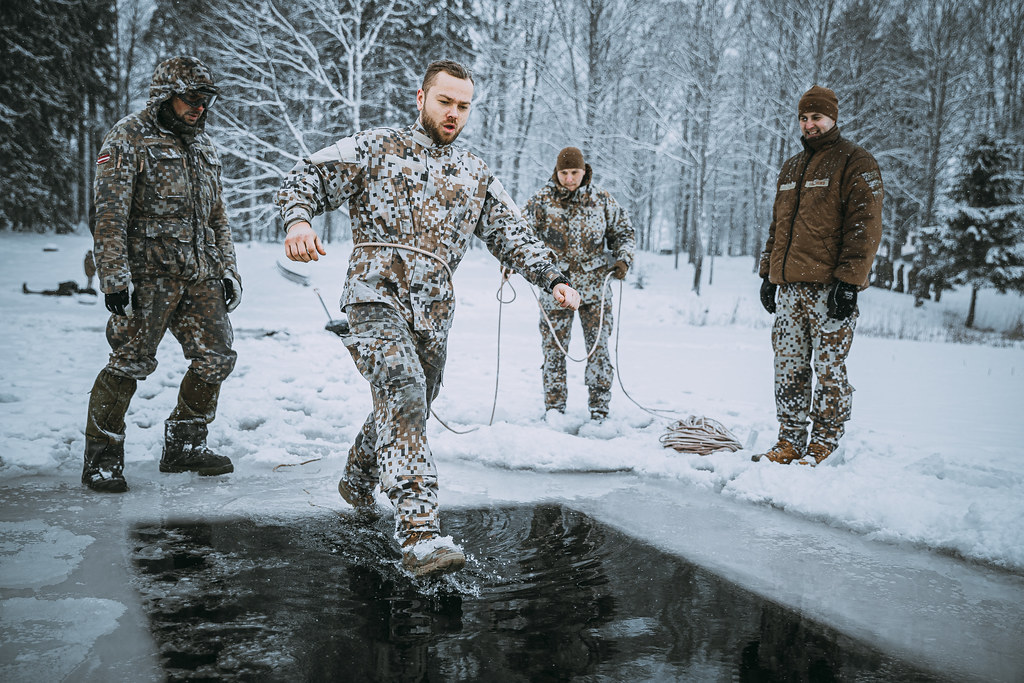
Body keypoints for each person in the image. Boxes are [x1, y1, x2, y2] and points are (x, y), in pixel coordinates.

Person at [276, 59, 581, 577]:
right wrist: (300, 219)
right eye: (445, 101)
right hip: (374, 297)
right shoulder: (376, 147)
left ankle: (358, 472)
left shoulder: (475, 172)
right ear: (421, 99)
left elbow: (513, 232)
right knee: (402, 390)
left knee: (414, 398)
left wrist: (552, 276)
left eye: (464, 106)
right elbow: (307, 173)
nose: (454, 113)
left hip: (435, 311)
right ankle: (419, 531)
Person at [82, 56, 241, 493]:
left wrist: (228, 270)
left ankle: (185, 446)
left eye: (206, 100)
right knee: (130, 362)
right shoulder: (129, 137)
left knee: (216, 358)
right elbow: (109, 215)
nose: (200, 107)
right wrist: (114, 279)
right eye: (191, 99)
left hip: (200, 272)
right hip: (148, 276)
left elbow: (218, 217)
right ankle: (102, 459)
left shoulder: (204, 146)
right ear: (164, 95)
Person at [757, 85, 882, 466]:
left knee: (828, 369)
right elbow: (778, 226)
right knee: (788, 366)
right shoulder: (791, 167)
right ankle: (790, 439)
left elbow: (866, 226)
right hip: (790, 288)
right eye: (804, 118)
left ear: (833, 118)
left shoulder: (855, 162)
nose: (810, 124)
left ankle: (825, 440)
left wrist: (849, 282)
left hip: (829, 288)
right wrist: (768, 274)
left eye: (817, 117)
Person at [521, 147, 634, 421]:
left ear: (584, 172)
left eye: (574, 172)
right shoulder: (541, 201)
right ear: (556, 173)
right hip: (555, 289)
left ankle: (599, 410)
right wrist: (512, 264)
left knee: (598, 351)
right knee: (553, 351)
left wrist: (623, 259)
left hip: (595, 290)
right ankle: (555, 410)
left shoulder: (602, 200)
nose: (569, 178)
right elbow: (520, 235)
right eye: (564, 173)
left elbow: (623, 231)